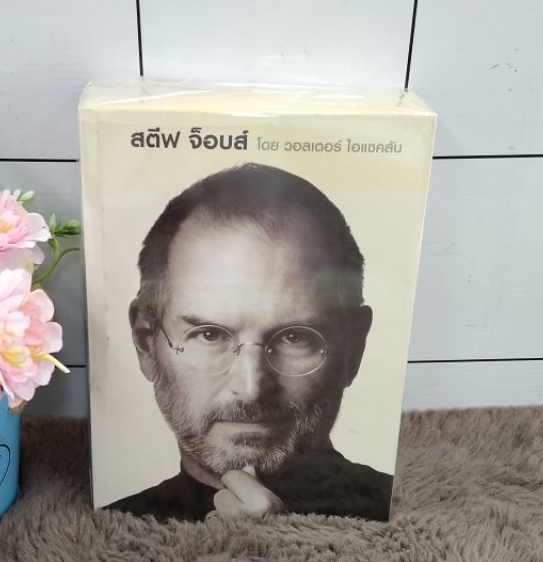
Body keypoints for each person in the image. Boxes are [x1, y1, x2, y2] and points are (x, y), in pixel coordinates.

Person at [106, 163, 393, 522]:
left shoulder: (407, 521)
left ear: (353, 349)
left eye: (295, 337)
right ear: (147, 343)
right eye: (209, 335)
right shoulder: (102, 532)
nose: (251, 389)